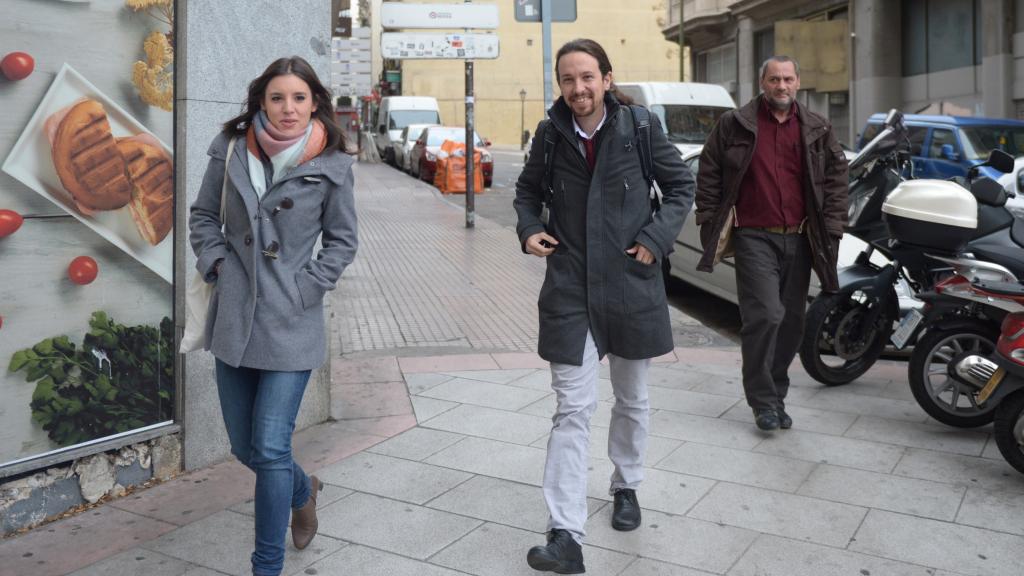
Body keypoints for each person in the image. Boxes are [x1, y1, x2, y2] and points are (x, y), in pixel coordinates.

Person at [514, 39, 693, 574]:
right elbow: (526, 193)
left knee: (632, 400)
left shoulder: (639, 128)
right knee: (572, 409)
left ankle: (626, 485)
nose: (578, 89)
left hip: (631, 284)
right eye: (568, 80)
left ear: (607, 79)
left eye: (587, 77)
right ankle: (565, 532)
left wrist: (656, 240)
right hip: (569, 288)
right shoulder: (550, 136)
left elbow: (680, 186)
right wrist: (529, 229)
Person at [188, 56, 357, 576]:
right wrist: (217, 263)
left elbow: (343, 241)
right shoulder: (232, 148)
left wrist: (308, 287)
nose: (288, 108)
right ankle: (302, 488)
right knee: (246, 447)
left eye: (299, 98)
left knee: (269, 444)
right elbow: (202, 216)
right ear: (260, 101)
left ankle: (266, 565)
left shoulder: (331, 165)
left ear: (315, 104)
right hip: (235, 318)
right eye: (277, 98)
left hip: (291, 322)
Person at [695, 56, 848, 432]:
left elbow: (836, 178)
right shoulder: (735, 124)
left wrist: (832, 227)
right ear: (762, 82)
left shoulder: (817, 127)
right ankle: (762, 401)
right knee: (765, 315)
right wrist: (708, 218)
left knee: (793, 323)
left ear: (798, 83)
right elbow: (709, 170)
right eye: (774, 79)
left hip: (801, 238)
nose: (782, 86)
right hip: (753, 238)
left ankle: (776, 395)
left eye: (788, 79)